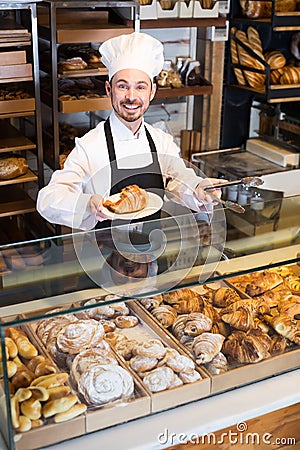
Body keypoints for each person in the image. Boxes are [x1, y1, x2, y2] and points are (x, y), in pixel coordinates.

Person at [37, 32, 225, 231]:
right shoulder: (90, 146)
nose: (131, 96)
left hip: (152, 253)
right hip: (106, 256)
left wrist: (198, 189)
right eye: (122, 86)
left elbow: (178, 179)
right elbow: (48, 201)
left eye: (140, 87)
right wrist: (87, 203)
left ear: (152, 92)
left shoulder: (161, 141)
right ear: (109, 90)